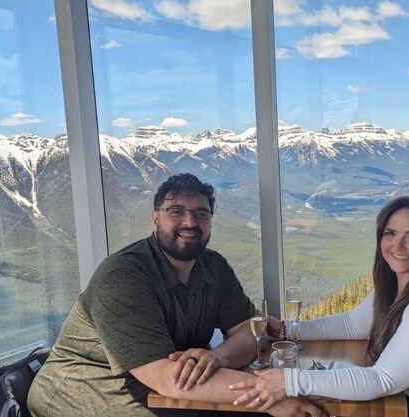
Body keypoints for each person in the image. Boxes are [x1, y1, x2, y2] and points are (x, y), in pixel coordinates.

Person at [28, 173, 323, 417]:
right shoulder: (123, 277)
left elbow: (249, 332)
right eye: (176, 212)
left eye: (200, 214)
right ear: (155, 219)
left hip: (166, 392)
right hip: (90, 392)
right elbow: (168, 378)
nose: (190, 222)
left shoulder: (214, 266)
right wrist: (269, 398)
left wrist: (217, 358)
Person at [230, 196, 409, 417]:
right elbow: (354, 324)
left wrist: (288, 381)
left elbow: (383, 380)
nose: (398, 245)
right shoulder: (399, 286)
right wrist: (289, 329)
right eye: (390, 233)